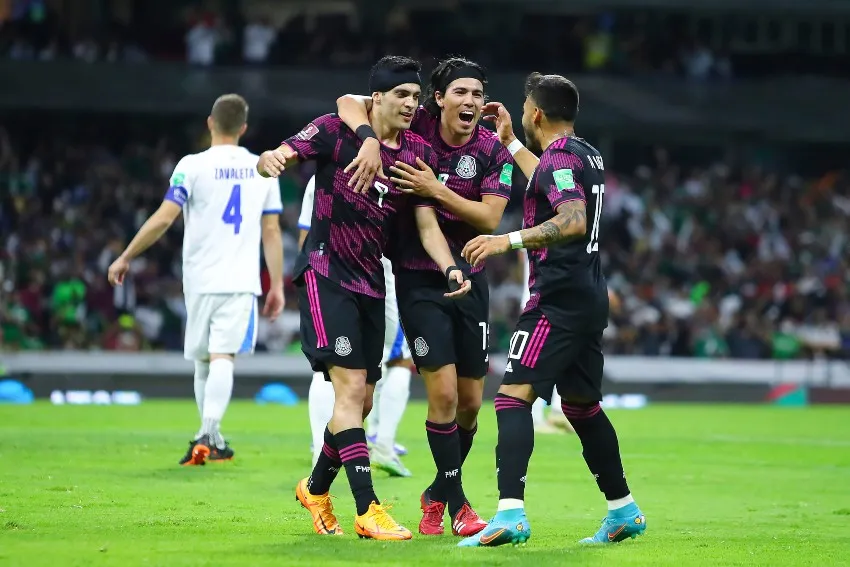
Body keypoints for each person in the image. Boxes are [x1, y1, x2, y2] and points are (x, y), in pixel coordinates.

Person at [256, 55, 470, 541]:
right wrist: (270, 160)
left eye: (415, 96)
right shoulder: (335, 130)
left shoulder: (417, 150)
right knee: (350, 391)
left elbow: (425, 224)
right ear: (377, 98)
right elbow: (283, 152)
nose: (412, 104)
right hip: (326, 272)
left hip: (372, 280)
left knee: (363, 400)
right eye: (402, 95)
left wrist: (450, 266)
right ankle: (368, 509)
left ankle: (315, 489)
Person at [458, 73, 646, 547]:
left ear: (536, 113)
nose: (522, 113)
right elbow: (550, 178)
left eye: (525, 107)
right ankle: (623, 509)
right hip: (589, 294)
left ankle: (510, 514)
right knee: (581, 407)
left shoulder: (560, 157)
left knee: (511, 399)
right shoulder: (584, 153)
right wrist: (509, 143)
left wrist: (506, 240)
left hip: (558, 298)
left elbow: (573, 219)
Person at [336, 56, 514, 537]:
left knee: (471, 403)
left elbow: (489, 219)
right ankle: (458, 505)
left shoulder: (492, 150)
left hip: (472, 278)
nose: (470, 101)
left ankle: (437, 491)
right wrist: (368, 138)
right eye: (461, 92)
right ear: (439, 99)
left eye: (478, 94)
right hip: (418, 277)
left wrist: (436, 189)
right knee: (444, 394)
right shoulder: (417, 129)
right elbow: (349, 102)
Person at [107, 94, 285, 466]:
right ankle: (208, 433)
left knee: (203, 361)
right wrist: (278, 285)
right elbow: (271, 232)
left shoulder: (191, 165)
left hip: (199, 278)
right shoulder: (262, 167)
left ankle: (210, 437)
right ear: (244, 128)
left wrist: (126, 255)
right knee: (222, 357)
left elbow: (164, 217)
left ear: (210, 123)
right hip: (240, 280)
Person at [298, 175, 413, 477]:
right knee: (396, 359)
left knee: (330, 364)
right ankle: (382, 445)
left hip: (327, 273)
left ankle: (322, 448)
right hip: (381, 274)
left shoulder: (320, 174)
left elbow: (305, 236)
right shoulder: (394, 169)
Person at [520, 249, 574, 435]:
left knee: (562, 358)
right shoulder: (535, 234)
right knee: (536, 364)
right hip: (538, 301)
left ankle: (558, 411)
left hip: (555, 300)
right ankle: (535, 418)